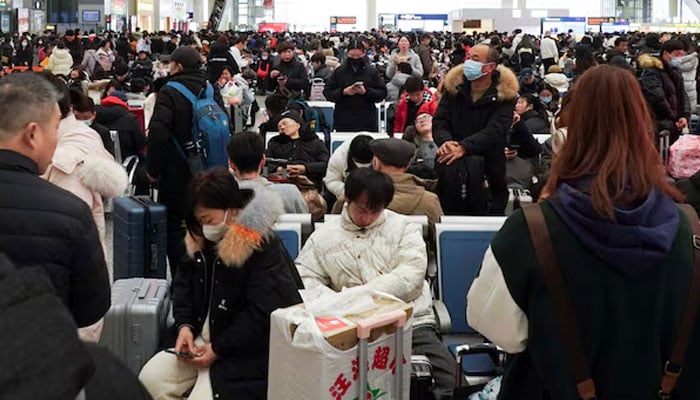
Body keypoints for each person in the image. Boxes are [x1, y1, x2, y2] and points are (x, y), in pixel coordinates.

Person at [466, 64, 700, 399]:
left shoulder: (532, 228)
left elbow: (495, 328)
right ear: (644, 127)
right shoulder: (689, 229)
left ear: (568, 132)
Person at [139, 168, 303, 400]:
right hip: (198, 338)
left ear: (232, 210)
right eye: (199, 222)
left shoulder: (261, 246)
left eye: (208, 220)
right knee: (150, 380)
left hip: (243, 352)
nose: (204, 227)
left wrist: (218, 349)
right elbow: (182, 285)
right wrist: (184, 326)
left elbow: (263, 313)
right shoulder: (199, 239)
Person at [297, 168, 456, 400]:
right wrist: (341, 305)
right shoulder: (323, 237)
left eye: (376, 210)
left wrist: (356, 297)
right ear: (347, 199)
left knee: (450, 381)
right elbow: (305, 279)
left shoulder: (404, 228)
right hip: (346, 328)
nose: (368, 217)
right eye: (362, 209)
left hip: (409, 322)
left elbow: (410, 278)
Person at [0, 72, 110, 330]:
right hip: (43, 357)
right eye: (55, 129)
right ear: (32, 134)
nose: (56, 139)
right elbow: (90, 310)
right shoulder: (69, 212)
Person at [147, 45, 222, 277]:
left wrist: (153, 170)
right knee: (206, 221)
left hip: (177, 172)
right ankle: (207, 277)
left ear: (178, 66)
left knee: (176, 226)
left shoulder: (170, 91)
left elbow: (159, 132)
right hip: (209, 169)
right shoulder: (210, 88)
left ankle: (183, 279)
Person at [433, 44, 519, 215]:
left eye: (475, 59)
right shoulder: (454, 89)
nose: (468, 63)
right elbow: (440, 120)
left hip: (490, 169)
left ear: (490, 67)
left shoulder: (504, 95)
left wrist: (464, 147)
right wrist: (445, 141)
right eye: (468, 57)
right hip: (451, 163)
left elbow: (495, 130)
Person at [227, 131, 308, 214]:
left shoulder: (222, 198)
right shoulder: (290, 193)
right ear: (263, 161)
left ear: (231, 163)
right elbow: (306, 223)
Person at [324, 40, 387, 132]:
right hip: (343, 120)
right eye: (352, 56)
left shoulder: (372, 72)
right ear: (347, 54)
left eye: (358, 56)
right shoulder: (339, 71)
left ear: (364, 54)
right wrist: (343, 92)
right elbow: (327, 92)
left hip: (367, 120)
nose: (355, 58)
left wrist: (366, 92)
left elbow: (382, 93)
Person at [639, 39, 690, 143]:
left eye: (682, 55)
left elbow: (682, 95)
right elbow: (657, 97)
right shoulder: (652, 71)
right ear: (666, 53)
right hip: (660, 122)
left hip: (675, 122)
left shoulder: (676, 71)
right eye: (677, 54)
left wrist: (684, 116)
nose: (679, 58)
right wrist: (673, 117)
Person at [266, 110, 329, 189]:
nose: (282, 127)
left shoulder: (315, 143)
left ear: (297, 125)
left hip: (309, 185)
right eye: (279, 126)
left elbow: (326, 165)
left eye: (284, 124)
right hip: (281, 184)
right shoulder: (275, 143)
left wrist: (304, 168)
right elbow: (264, 166)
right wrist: (281, 170)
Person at [96, 90, 147, 161]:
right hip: (126, 160)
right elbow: (140, 143)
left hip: (101, 160)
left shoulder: (95, 116)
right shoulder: (130, 119)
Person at [323, 134, 374, 199]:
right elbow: (331, 181)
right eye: (359, 163)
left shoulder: (383, 154)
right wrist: (350, 192)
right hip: (347, 192)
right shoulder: (338, 158)